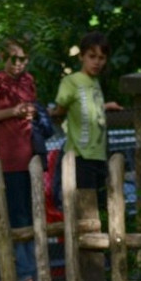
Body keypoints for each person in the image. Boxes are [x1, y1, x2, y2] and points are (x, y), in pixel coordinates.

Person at [0, 38, 48, 281]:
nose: (18, 64)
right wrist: (12, 111)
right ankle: (25, 275)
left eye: (23, 59)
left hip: (33, 159)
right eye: (13, 59)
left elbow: (33, 109)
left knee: (35, 215)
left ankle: (37, 271)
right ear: (3, 58)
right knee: (18, 219)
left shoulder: (28, 80)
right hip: (10, 162)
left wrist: (31, 113)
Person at [51, 30, 123, 213]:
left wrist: (105, 106)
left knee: (100, 208)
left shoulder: (95, 82)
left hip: (98, 155)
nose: (97, 62)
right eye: (92, 56)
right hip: (80, 156)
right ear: (81, 56)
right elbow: (60, 110)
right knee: (85, 212)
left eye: (101, 58)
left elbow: (86, 106)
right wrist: (54, 113)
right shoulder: (71, 81)